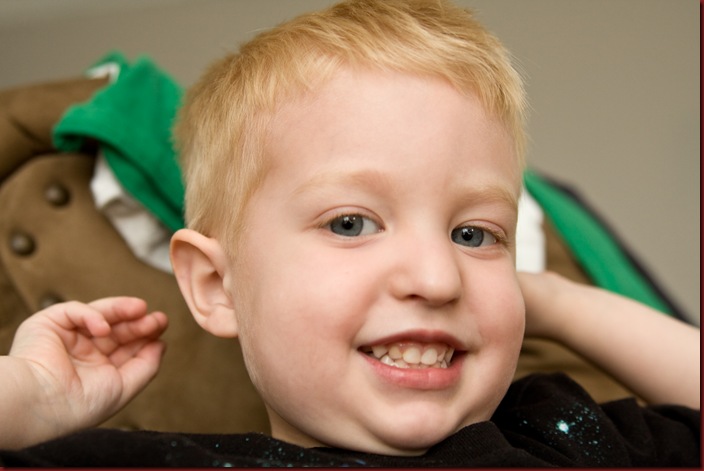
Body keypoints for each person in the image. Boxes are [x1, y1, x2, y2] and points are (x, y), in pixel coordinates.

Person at [0, 0, 699, 466]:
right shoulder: (172, 460)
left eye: (474, 234)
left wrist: (553, 300)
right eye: (351, 223)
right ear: (216, 285)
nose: (436, 278)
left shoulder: (559, 435)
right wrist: (31, 400)